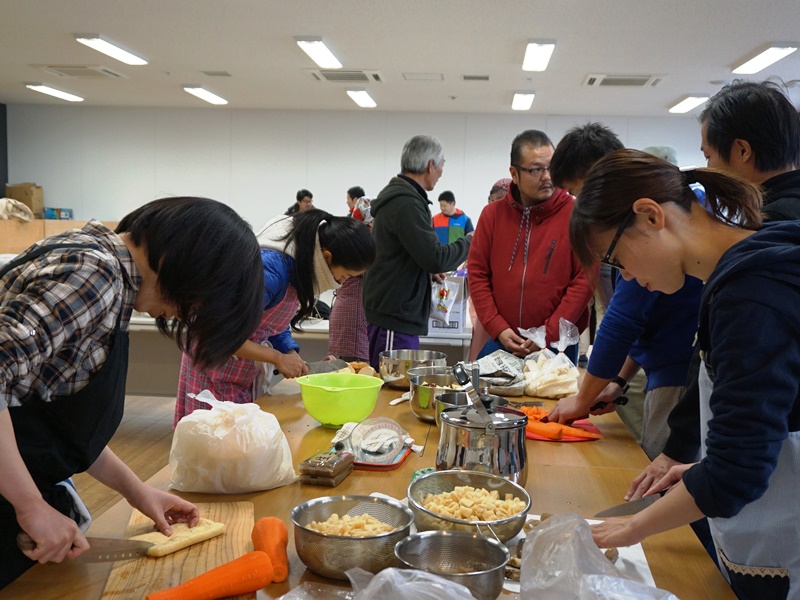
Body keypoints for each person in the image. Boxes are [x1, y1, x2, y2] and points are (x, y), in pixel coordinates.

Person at [0, 197, 265, 588]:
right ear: (183, 261)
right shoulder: (95, 275)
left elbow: (58, 426)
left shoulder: (104, 273)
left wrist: (139, 492)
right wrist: (30, 506)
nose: (181, 316)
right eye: (195, 303)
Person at [578, 149, 800, 599]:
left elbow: (738, 472)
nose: (630, 278)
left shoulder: (751, 292)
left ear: (650, 216)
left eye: (618, 259)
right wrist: (698, 465)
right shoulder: (735, 276)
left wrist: (630, 529)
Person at [628, 79, 800, 502]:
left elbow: (724, 358)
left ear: (741, 151)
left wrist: (678, 448)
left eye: (707, 155)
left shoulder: (763, 245)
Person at [547, 124, 703, 464]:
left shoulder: (636, 223)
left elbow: (624, 319)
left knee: (664, 478)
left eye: (580, 192)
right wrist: (618, 379)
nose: (583, 205)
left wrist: (581, 399)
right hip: (669, 371)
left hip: (679, 375)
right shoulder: (651, 224)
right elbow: (638, 319)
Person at [174, 209, 375, 423]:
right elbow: (219, 334)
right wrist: (278, 358)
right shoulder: (271, 272)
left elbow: (273, 324)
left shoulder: (299, 267)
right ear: (326, 257)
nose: (341, 283)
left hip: (238, 370)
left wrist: (290, 353)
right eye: (344, 276)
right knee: (213, 441)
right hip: (213, 367)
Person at [468, 129, 592, 364]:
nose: (547, 176)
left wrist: (547, 333)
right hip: (502, 340)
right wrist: (497, 327)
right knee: (488, 400)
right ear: (514, 174)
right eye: (536, 169)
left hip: (556, 345)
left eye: (551, 167)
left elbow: (583, 280)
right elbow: (478, 275)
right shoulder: (492, 215)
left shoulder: (575, 214)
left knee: (550, 401)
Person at [362, 135, 471, 369]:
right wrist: (470, 241)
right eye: (442, 164)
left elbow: (403, 254)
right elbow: (436, 258)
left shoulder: (404, 199)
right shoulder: (407, 203)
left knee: (396, 385)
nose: (442, 171)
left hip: (396, 312)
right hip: (394, 315)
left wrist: (425, 272)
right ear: (430, 165)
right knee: (390, 386)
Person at [329, 194, 373, 362]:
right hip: (352, 316)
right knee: (353, 372)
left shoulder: (354, 243)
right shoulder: (360, 247)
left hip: (350, 312)